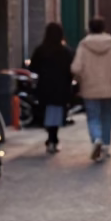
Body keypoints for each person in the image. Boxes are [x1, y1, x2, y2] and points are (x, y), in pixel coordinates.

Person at [71, 17, 111, 162]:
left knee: (93, 116)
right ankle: (106, 145)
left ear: (89, 28)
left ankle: (96, 138)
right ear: (104, 28)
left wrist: (80, 78)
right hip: (110, 88)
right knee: (107, 117)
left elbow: (76, 68)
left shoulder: (83, 46)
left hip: (89, 88)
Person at [29, 22, 73, 154]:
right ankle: (53, 139)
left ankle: (51, 138)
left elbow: (33, 67)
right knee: (57, 113)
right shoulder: (65, 51)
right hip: (61, 87)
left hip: (45, 87)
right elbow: (71, 69)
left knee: (46, 111)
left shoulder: (41, 50)